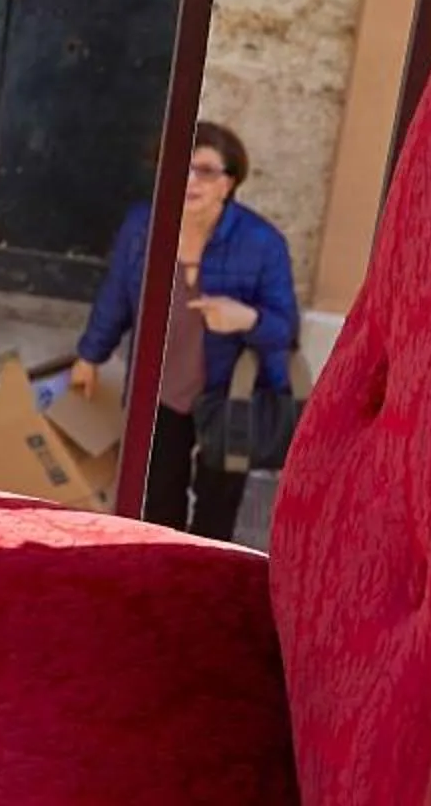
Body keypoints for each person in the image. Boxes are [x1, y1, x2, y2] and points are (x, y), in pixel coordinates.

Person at [69, 121, 299, 539]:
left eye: (206, 170)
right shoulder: (143, 226)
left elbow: (286, 331)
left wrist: (246, 319)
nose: (190, 179)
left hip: (230, 396)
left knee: (217, 504)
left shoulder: (263, 243)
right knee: (157, 500)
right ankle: (165, 572)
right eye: (179, 167)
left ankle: (206, 575)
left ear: (229, 183)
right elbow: (117, 295)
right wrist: (90, 355)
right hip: (160, 388)